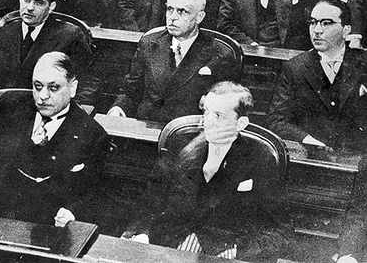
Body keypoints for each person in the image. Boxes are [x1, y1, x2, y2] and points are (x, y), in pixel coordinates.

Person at [0, 51, 109, 226]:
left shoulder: (93, 135)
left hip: (44, 226)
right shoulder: (11, 105)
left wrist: (72, 213)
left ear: (73, 88)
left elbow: (92, 193)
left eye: (53, 88)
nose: (43, 96)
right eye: (37, 86)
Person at [122, 82, 284, 261]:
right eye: (206, 111)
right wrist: (142, 234)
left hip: (226, 250)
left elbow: (275, 226)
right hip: (172, 242)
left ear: (240, 123)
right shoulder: (180, 143)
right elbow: (152, 199)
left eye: (219, 116)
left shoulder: (260, 157)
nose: (207, 121)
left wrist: (239, 255)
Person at [109, 0, 237, 121]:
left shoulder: (220, 53)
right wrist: (118, 109)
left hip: (188, 131)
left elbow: (225, 107)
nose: (172, 17)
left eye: (182, 11)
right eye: (170, 9)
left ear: (199, 17)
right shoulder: (149, 43)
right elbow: (131, 90)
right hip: (147, 126)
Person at [269, 0, 367, 151]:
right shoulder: (295, 68)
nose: (317, 30)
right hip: (311, 155)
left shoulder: (364, 64)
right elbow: (277, 119)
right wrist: (308, 140)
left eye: (326, 23)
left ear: (346, 30)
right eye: (313, 22)